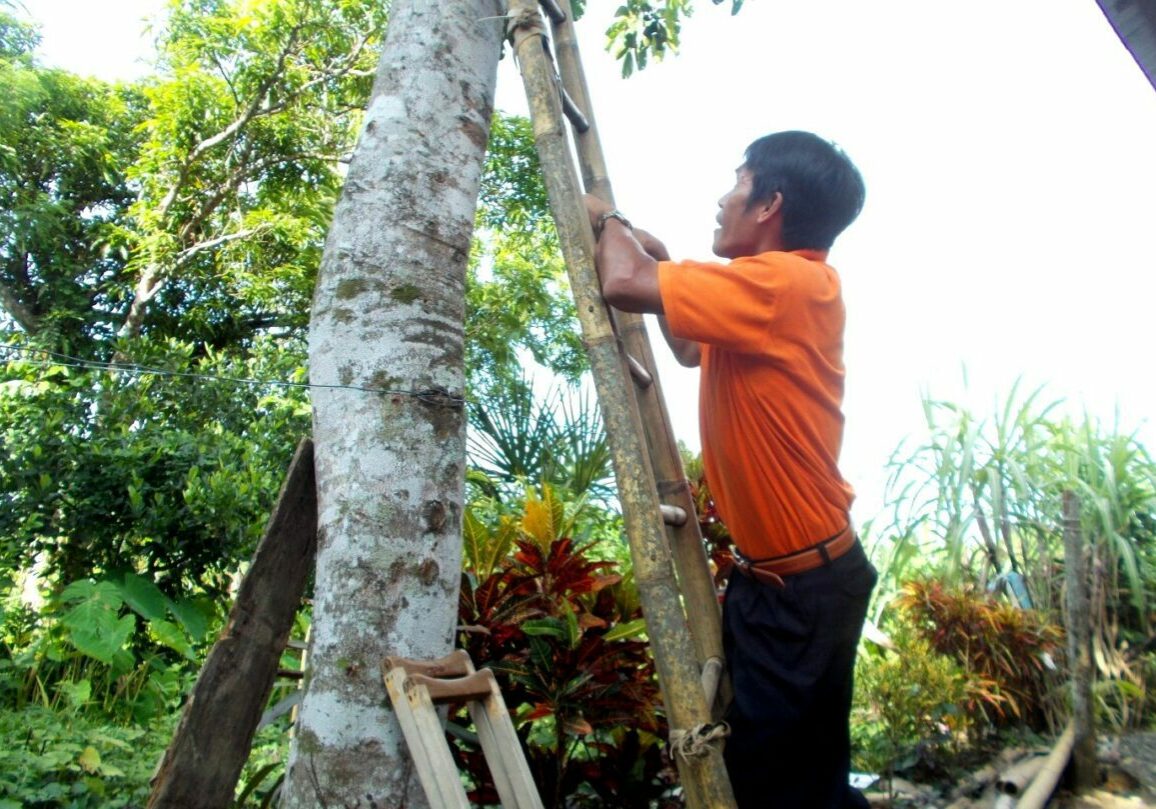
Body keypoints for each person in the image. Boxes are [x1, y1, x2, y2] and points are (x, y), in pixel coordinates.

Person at [584, 130, 876, 808]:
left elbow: (622, 282)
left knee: (779, 785)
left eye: (736, 184)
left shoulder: (788, 283)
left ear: (770, 203)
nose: (722, 200)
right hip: (780, 583)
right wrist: (661, 259)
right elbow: (688, 347)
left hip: (802, 592)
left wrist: (608, 220)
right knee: (800, 772)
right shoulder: (766, 291)